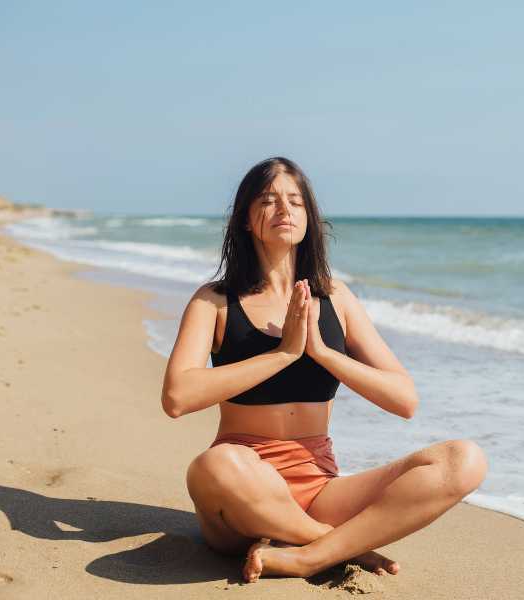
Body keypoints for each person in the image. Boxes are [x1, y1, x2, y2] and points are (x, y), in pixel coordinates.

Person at [160, 156, 488, 582]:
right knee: (213, 466)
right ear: (244, 218)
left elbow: (404, 400)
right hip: (243, 490)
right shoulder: (216, 300)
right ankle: (336, 544)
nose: (284, 210)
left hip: (320, 488)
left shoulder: (336, 298)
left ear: (309, 218)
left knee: (464, 460)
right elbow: (177, 397)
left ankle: (307, 555)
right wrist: (281, 354)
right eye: (269, 200)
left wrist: (323, 352)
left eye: (295, 202)